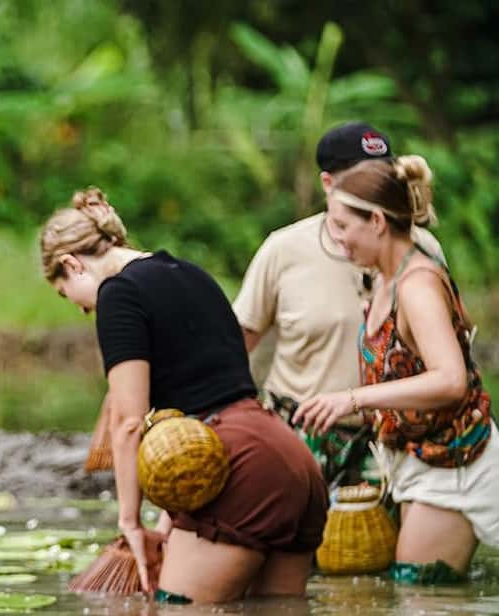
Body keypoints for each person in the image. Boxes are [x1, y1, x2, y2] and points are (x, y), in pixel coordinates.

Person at [40, 188, 327, 603]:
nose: (85, 311)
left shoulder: (117, 293)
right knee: (275, 610)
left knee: (174, 610)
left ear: (72, 264)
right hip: (291, 460)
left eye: (69, 296)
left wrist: (130, 523)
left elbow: (129, 422)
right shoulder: (190, 272)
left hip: (238, 466)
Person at [294, 155, 499, 584]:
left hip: (454, 465)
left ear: (375, 220)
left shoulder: (417, 285)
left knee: (419, 594)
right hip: (419, 461)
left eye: (341, 226)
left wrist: (352, 399)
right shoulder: (381, 279)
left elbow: (450, 380)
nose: (335, 239)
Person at [234, 122, 445, 488]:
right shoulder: (284, 249)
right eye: (363, 179)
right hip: (303, 439)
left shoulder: (420, 250)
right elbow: (236, 346)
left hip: (393, 441)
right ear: (329, 185)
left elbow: (449, 360)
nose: (376, 189)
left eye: (383, 176)